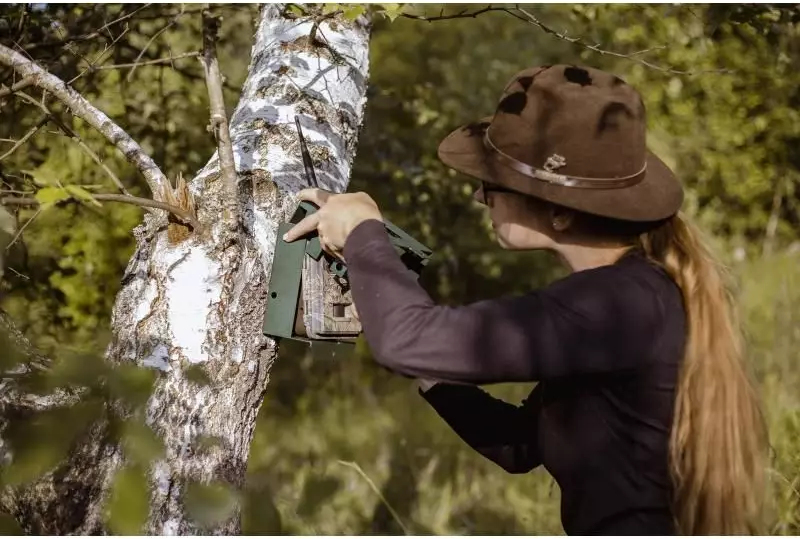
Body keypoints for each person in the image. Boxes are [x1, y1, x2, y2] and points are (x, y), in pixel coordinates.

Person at [284, 64, 769, 535]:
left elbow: (403, 341)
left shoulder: (614, 305)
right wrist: (425, 356)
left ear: (560, 211)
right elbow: (520, 445)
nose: (479, 196)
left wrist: (364, 228)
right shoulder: (628, 298)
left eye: (494, 184)